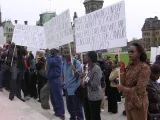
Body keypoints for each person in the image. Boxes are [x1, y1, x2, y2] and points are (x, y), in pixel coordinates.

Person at [117, 43, 151, 120]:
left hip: (138, 103)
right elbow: (124, 83)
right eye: (128, 51)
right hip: (129, 102)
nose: (129, 53)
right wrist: (122, 70)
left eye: (132, 51)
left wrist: (123, 89)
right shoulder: (130, 66)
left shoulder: (144, 68)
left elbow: (140, 89)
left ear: (139, 53)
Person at [62, 47, 84, 120]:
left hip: (75, 89)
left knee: (77, 107)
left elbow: (80, 75)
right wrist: (62, 82)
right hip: (67, 89)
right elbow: (62, 74)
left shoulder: (76, 62)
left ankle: (80, 118)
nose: (66, 54)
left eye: (67, 52)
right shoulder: (63, 62)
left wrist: (75, 70)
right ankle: (73, 118)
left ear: (71, 53)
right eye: (64, 52)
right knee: (69, 107)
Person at [82, 51, 102, 120]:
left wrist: (86, 77)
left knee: (95, 117)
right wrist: (83, 82)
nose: (84, 57)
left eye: (86, 55)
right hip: (87, 95)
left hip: (95, 97)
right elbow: (86, 81)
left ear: (91, 57)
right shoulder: (87, 67)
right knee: (88, 115)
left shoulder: (97, 68)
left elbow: (95, 84)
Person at [45, 47, 65, 120]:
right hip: (51, 79)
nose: (50, 50)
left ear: (55, 50)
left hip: (56, 80)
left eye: (51, 49)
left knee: (58, 97)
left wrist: (47, 54)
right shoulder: (52, 56)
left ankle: (61, 114)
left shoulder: (58, 57)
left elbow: (50, 62)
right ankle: (56, 111)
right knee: (53, 97)